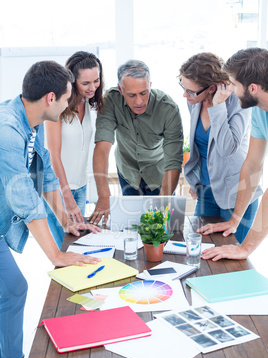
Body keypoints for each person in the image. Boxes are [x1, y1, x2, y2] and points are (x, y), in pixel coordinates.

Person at [0, 61, 101, 358]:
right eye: (67, 97)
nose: (71, 103)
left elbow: (42, 174)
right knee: (14, 289)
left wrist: (65, 221)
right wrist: (57, 257)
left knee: (13, 290)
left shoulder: (30, 119)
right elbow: (25, 199)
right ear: (50, 97)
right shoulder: (7, 132)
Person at [179, 52, 261, 243]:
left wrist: (217, 106)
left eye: (191, 91)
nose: (185, 95)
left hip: (236, 193)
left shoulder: (240, 103)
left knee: (230, 255)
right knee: (201, 247)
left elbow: (227, 148)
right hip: (207, 191)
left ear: (212, 88)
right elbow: (201, 147)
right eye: (183, 88)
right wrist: (195, 180)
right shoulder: (194, 102)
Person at [89, 59, 183, 225]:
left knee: (162, 227)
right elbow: (102, 147)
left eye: (144, 93)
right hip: (128, 171)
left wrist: (165, 199)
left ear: (150, 85)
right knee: (132, 225)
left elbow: (173, 159)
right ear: (120, 89)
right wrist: (104, 195)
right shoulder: (111, 100)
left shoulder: (168, 108)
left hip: (159, 173)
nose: (139, 101)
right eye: (131, 95)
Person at [198, 48, 268, 261]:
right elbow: (253, 164)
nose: (232, 91)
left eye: (234, 85)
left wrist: (244, 248)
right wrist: (235, 219)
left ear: (252, 88)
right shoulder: (259, 109)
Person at [44, 51, 104, 248]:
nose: (92, 87)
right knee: (64, 247)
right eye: (85, 83)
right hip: (59, 191)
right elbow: (54, 155)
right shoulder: (57, 106)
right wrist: (66, 195)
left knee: (79, 246)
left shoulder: (87, 103)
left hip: (80, 187)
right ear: (72, 80)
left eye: (96, 80)